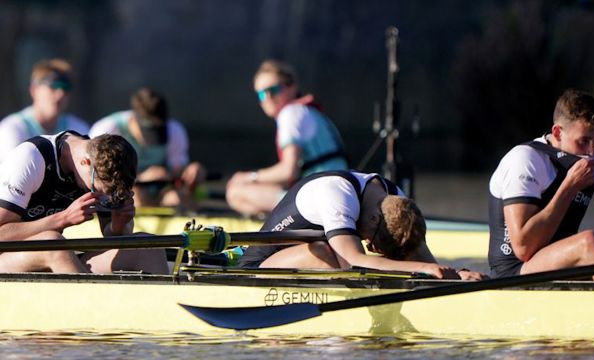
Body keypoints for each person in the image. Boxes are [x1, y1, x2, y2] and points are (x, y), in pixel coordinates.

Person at [488, 89, 594, 281]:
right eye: (583, 141)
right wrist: (569, 187)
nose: (592, 151)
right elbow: (523, 248)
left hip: (566, 267)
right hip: (515, 273)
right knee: (590, 242)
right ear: (558, 133)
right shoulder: (525, 159)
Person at [237, 170, 485, 280]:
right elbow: (356, 259)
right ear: (375, 219)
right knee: (333, 255)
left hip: (308, 256)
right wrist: (422, 270)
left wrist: (458, 274)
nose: (373, 247)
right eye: (376, 243)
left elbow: (422, 256)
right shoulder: (337, 196)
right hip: (257, 267)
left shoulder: (394, 196)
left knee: (348, 258)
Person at [0, 131, 168, 274]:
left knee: (147, 247)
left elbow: (115, 239)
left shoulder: (100, 164)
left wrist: (118, 224)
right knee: (53, 242)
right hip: (8, 257)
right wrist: (63, 218)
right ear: (85, 163)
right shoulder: (32, 158)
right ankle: (92, 307)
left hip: (55, 254)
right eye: (98, 189)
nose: (104, 197)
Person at [226, 60, 349, 217]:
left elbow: (288, 171)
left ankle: (276, 224)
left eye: (274, 90)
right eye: (262, 94)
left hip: (322, 199)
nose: (268, 98)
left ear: (292, 87)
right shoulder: (306, 111)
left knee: (235, 193)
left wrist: (249, 177)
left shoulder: (290, 113)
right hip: (337, 194)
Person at [90, 87, 206, 209]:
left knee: (177, 199)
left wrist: (190, 173)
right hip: (121, 195)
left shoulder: (175, 131)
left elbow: (178, 173)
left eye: (159, 130)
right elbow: (97, 181)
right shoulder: (107, 131)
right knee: (136, 199)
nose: (153, 137)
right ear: (134, 118)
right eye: (149, 131)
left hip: (161, 192)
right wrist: (140, 180)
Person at [0, 58, 90, 163]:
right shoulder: (12, 129)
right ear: (34, 90)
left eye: (65, 88)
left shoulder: (79, 129)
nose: (60, 94)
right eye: (54, 86)